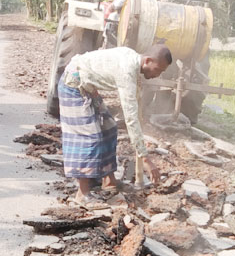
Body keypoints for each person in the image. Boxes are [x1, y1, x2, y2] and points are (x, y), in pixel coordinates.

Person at [58, 45, 172, 206]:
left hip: (88, 86)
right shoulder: (126, 72)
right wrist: (145, 158)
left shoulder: (134, 60)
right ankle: (82, 194)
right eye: (158, 69)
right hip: (74, 85)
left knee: (109, 127)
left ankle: (108, 180)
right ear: (147, 61)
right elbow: (130, 118)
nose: (158, 75)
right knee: (90, 137)